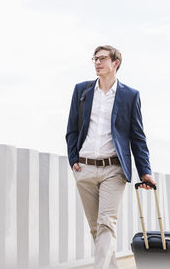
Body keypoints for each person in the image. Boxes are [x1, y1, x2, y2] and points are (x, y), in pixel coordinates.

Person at [65, 45, 155, 269]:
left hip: (113, 170)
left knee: (106, 225)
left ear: (115, 63)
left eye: (102, 58)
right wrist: (73, 159)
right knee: (97, 229)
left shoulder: (130, 95)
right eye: (95, 58)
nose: (97, 62)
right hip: (84, 168)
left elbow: (137, 136)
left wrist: (145, 171)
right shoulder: (82, 91)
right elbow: (71, 129)